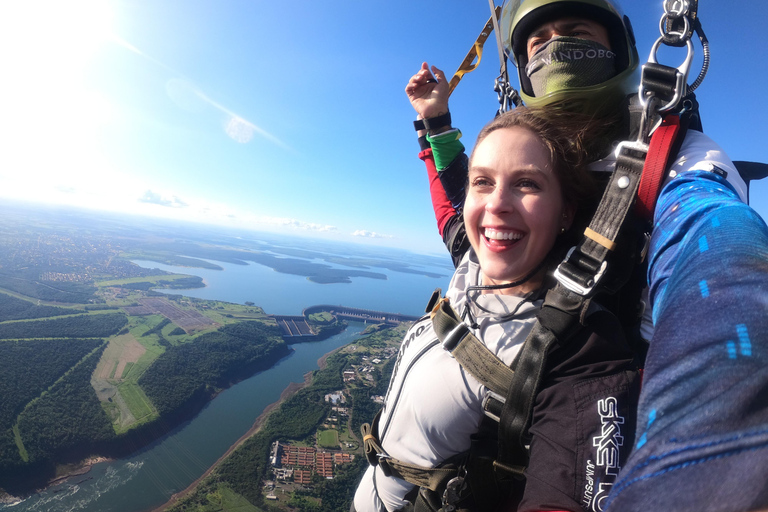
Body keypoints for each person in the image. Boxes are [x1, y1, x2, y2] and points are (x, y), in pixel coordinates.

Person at [353, 108, 641, 512]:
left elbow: (565, 491)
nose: (497, 204)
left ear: (566, 212)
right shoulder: (471, 266)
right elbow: (446, 191)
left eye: (527, 184)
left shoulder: (574, 348)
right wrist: (432, 121)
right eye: (483, 182)